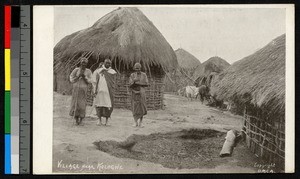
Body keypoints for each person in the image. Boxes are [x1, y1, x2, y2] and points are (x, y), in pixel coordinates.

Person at [92, 59, 117, 126]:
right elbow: (94, 81)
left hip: (108, 93)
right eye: (106, 63)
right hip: (100, 92)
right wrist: (95, 90)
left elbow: (114, 83)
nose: (108, 64)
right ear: (104, 63)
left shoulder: (113, 72)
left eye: (109, 63)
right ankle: (99, 120)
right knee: (99, 105)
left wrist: (112, 90)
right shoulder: (98, 71)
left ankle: (107, 120)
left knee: (108, 106)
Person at [69, 57, 92, 125]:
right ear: (80, 63)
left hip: (83, 90)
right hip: (76, 89)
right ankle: (76, 120)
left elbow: (90, 80)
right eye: (82, 62)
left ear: (87, 64)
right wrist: (78, 77)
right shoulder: (76, 70)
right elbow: (71, 78)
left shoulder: (88, 71)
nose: (83, 64)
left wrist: (84, 77)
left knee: (82, 105)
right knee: (75, 104)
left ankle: (81, 120)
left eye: (85, 63)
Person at [129, 63, 149, 127]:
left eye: (138, 68)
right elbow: (130, 84)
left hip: (141, 92)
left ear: (140, 68)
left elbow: (146, 84)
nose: (137, 69)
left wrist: (139, 83)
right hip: (134, 92)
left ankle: (141, 122)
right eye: (136, 68)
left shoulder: (144, 75)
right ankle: (135, 122)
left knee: (141, 107)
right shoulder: (132, 75)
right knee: (135, 107)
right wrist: (134, 82)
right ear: (134, 68)